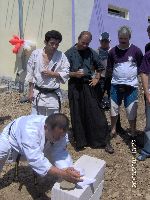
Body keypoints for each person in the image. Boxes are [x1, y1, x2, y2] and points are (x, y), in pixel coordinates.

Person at [65, 31, 114, 153]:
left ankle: (102, 141)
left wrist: (97, 77)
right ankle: (81, 141)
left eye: (87, 43)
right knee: (77, 113)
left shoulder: (91, 52)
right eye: (83, 43)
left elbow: (100, 67)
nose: (85, 45)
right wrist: (74, 74)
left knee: (96, 113)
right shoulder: (69, 53)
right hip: (74, 86)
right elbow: (63, 72)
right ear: (78, 39)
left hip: (88, 85)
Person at [0, 113, 82, 183]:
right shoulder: (30, 131)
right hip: (10, 137)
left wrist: (66, 169)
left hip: (31, 143)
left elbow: (59, 152)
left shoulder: (59, 133)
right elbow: (36, 159)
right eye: (55, 137)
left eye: (61, 136)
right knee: (1, 153)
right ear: (46, 128)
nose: (58, 140)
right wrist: (62, 174)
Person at [107, 26, 143, 138]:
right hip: (116, 85)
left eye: (125, 39)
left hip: (131, 86)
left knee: (131, 110)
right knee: (113, 109)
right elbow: (109, 68)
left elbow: (141, 67)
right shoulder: (112, 51)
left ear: (129, 37)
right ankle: (113, 129)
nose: (122, 41)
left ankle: (132, 131)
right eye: (120, 38)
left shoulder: (136, 50)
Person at [25, 30, 70, 115]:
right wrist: (30, 92)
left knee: (52, 122)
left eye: (57, 44)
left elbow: (66, 72)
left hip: (53, 95)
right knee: (36, 120)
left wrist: (53, 74)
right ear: (45, 42)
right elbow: (30, 73)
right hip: (38, 93)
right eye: (52, 43)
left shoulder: (61, 56)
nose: (54, 46)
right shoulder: (36, 54)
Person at [96, 32, 124, 134]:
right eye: (103, 41)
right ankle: (99, 126)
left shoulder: (113, 51)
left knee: (114, 103)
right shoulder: (96, 52)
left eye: (106, 41)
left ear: (109, 41)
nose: (104, 43)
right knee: (98, 103)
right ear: (100, 41)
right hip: (100, 80)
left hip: (112, 80)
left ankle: (117, 127)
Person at [137, 41, 150, 160]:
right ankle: (147, 150)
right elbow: (144, 73)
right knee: (149, 125)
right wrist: (147, 93)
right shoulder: (148, 55)